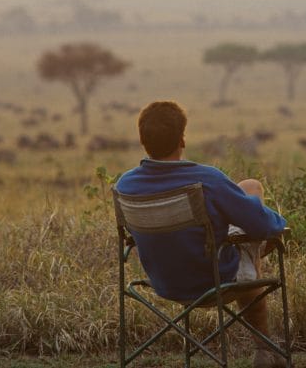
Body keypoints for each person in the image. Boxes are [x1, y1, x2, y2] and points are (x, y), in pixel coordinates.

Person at [116, 100, 288, 368]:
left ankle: (265, 349)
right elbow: (265, 226)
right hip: (213, 281)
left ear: (142, 140)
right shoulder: (207, 180)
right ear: (182, 139)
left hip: (163, 282)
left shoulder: (125, 185)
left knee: (245, 197)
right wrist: (281, 224)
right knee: (251, 190)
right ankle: (264, 348)